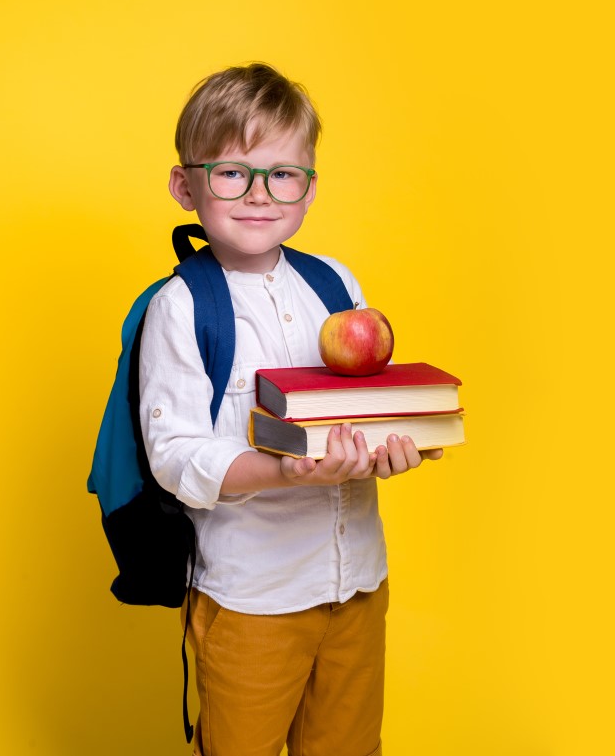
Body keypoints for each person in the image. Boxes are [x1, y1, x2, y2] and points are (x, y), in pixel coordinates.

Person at [138, 62, 442, 756]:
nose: (259, 194)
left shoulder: (336, 284)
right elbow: (176, 455)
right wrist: (287, 473)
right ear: (187, 186)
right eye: (231, 173)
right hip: (252, 602)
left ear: (308, 186)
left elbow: (364, 406)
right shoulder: (181, 308)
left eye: (283, 173)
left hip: (358, 586)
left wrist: (397, 445)